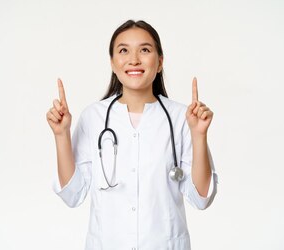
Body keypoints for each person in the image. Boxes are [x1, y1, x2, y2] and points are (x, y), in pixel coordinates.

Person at [46, 20, 218, 250]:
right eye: (123, 50)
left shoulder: (183, 118)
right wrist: (61, 135)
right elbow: (73, 194)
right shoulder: (94, 117)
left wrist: (199, 136)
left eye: (145, 50)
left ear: (159, 63)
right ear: (112, 63)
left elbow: (202, 198)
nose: (134, 59)